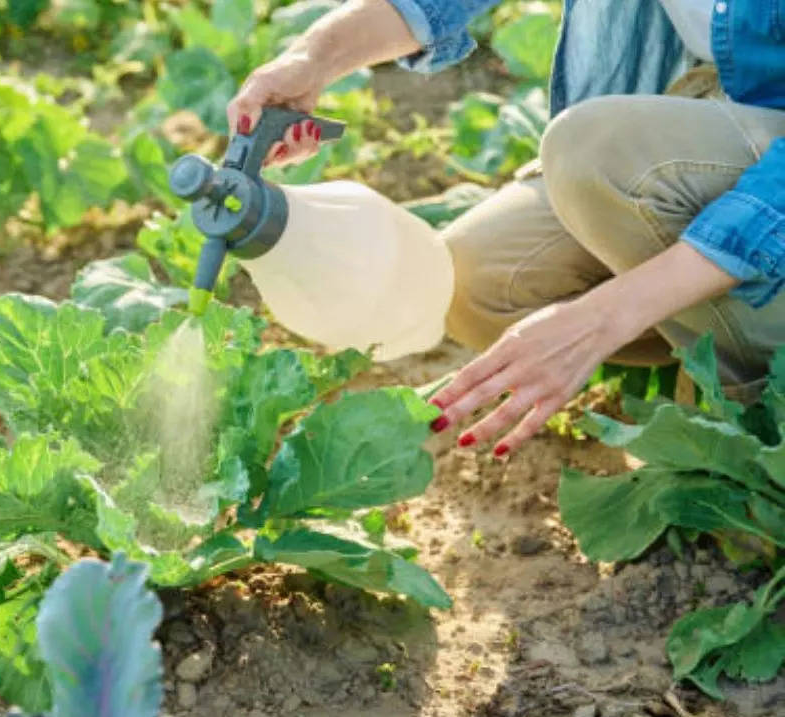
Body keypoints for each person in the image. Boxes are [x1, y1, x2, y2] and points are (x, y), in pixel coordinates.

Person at [227, 0, 785, 457]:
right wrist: (314, 57)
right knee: (479, 280)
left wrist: (602, 317)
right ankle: (730, 328)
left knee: (594, 152)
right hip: (716, 103)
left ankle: (757, 427)